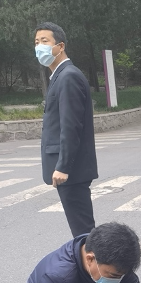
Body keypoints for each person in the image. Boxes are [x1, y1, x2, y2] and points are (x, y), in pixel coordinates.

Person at [35, 22, 98, 236]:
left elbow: (71, 127)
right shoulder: (59, 76)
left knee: (84, 233)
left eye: (45, 41)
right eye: (36, 42)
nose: (39, 47)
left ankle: (99, 269)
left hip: (73, 171)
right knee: (82, 232)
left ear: (60, 46)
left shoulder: (68, 76)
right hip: (72, 171)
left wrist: (63, 167)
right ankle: (95, 267)